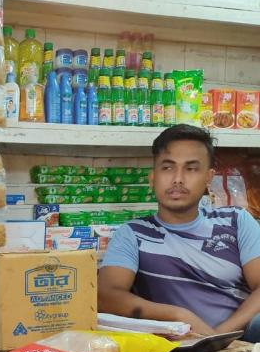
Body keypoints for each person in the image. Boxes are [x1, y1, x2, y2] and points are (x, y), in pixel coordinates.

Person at [98, 125, 260, 341]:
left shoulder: (236, 220)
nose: (178, 179)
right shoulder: (133, 234)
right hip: (175, 344)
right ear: (152, 178)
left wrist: (219, 336)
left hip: (243, 338)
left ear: (208, 178)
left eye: (191, 169)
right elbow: (107, 296)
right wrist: (178, 315)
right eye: (167, 168)